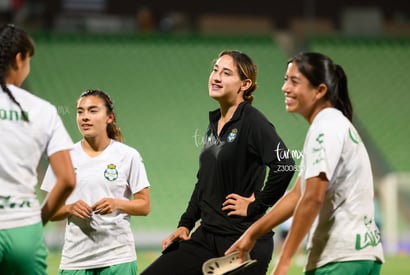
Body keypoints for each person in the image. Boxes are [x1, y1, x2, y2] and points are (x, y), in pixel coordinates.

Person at [226, 52, 384, 274]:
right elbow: (298, 194)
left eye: (294, 81)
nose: (285, 88)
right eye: (285, 79)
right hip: (361, 254)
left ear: (319, 91)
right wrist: (252, 233)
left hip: (340, 257)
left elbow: (312, 198)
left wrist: (284, 259)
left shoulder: (325, 128)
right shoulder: (333, 124)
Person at [141, 50, 295, 275]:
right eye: (215, 70)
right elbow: (203, 182)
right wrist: (185, 224)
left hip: (242, 242)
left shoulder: (253, 122)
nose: (216, 77)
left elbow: (285, 165)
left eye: (226, 73)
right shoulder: (215, 124)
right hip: (205, 238)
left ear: (244, 84)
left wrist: (256, 204)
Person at [41, 89, 151, 274]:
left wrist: (117, 203)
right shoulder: (63, 156)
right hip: (75, 260)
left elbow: (144, 205)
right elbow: (50, 212)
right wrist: (69, 208)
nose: (85, 117)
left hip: (118, 259)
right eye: (80, 111)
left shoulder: (128, 155)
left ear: (109, 117)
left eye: (93, 111)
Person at [0, 24, 76, 274]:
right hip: (24, 229)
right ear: (20, 59)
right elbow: (66, 179)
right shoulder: (43, 110)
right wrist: (38, 220)